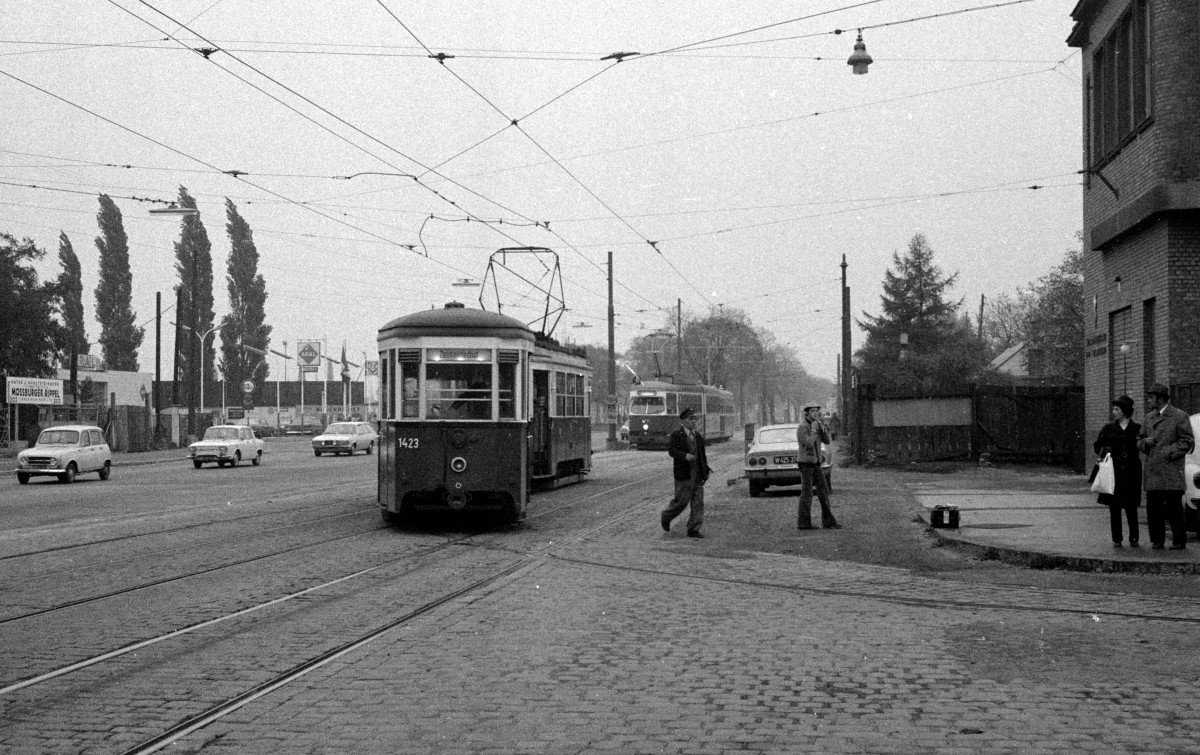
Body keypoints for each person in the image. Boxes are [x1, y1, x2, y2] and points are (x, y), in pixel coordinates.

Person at [1137, 383, 1195, 550]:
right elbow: (1139, 438)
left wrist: (1168, 452)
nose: (1148, 401)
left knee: (1174, 507)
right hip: (1153, 471)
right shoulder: (1149, 418)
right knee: (1153, 507)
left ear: (1161, 399)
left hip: (1171, 470)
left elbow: (1187, 441)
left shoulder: (1179, 416)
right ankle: (1157, 540)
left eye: (1151, 398)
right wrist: (1144, 443)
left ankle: (1179, 540)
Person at [1092, 395, 1142, 547]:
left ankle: (1134, 538)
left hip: (1132, 471)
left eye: (1116, 409)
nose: (1113, 412)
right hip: (1114, 471)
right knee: (1114, 506)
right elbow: (1097, 446)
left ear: (1124, 411)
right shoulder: (1108, 428)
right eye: (1113, 409)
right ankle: (1117, 538)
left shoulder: (1136, 428)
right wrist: (1106, 451)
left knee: (1131, 506)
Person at [661, 408, 711, 538]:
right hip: (684, 474)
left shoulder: (698, 437)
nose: (693, 421)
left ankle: (694, 529)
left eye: (694, 419)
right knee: (681, 502)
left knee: (698, 502)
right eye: (690, 419)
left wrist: (705, 470)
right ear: (683, 421)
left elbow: (702, 456)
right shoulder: (677, 436)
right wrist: (684, 456)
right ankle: (666, 516)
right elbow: (672, 451)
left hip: (698, 474)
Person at [797, 403, 840, 529]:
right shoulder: (802, 427)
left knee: (823, 491)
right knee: (807, 493)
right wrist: (815, 430)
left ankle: (828, 521)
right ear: (807, 413)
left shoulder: (817, 425)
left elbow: (827, 441)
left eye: (816, 411)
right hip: (806, 464)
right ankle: (804, 523)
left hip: (816, 463)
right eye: (812, 411)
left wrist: (822, 429)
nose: (815, 413)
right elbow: (809, 443)